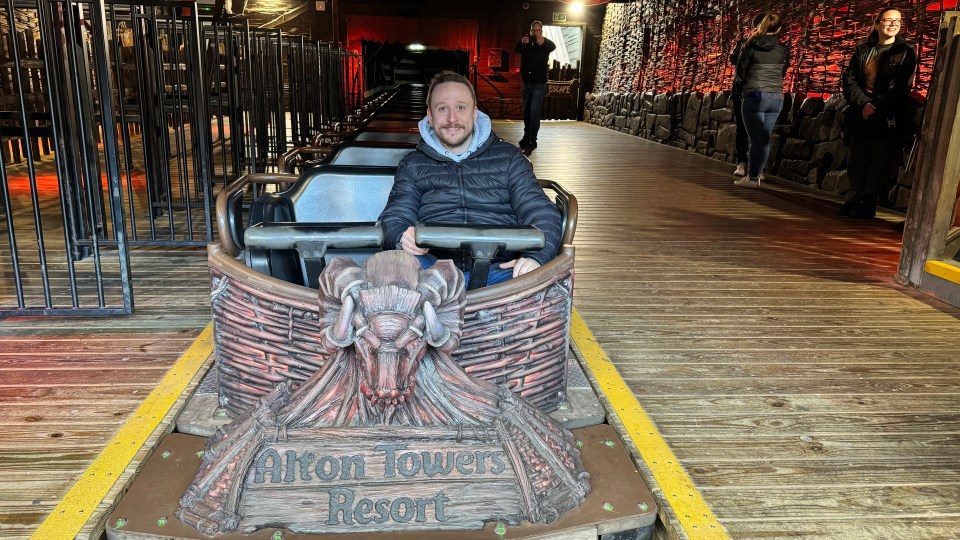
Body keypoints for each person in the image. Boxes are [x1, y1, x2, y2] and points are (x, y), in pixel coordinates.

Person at [379, 71, 562, 288]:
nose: (452, 118)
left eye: (461, 107)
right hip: (434, 273)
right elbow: (395, 215)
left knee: (543, 276)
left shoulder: (509, 157)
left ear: (475, 114)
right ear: (429, 115)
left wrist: (535, 258)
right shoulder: (412, 164)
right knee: (388, 267)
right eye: (442, 108)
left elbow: (542, 212)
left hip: (501, 272)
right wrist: (401, 235)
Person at [840, 7, 917, 219]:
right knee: (856, 156)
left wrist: (876, 106)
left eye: (897, 21)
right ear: (877, 24)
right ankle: (853, 197)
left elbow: (902, 86)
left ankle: (868, 200)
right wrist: (863, 103)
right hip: (861, 111)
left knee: (879, 158)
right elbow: (850, 80)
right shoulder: (863, 50)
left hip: (886, 114)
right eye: (888, 20)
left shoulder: (905, 52)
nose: (893, 24)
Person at [733, 13, 790, 188]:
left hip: (755, 96)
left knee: (756, 139)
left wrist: (738, 92)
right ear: (779, 29)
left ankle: (752, 178)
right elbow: (783, 71)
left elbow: (740, 73)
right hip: (776, 97)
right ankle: (757, 174)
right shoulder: (783, 49)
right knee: (764, 138)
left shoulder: (751, 45)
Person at [729, 13, 767, 177]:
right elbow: (734, 60)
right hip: (743, 92)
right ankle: (742, 163)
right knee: (743, 129)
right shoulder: (745, 42)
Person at [515, 21, 556, 152]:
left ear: (541, 31)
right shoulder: (526, 44)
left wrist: (542, 41)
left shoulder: (545, 44)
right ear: (531, 30)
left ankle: (533, 139)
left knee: (534, 111)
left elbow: (553, 46)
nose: (536, 33)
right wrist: (522, 42)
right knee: (526, 112)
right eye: (534, 30)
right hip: (527, 83)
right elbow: (517, 49)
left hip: (539, 83)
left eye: (538, 30)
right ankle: (526, 137)